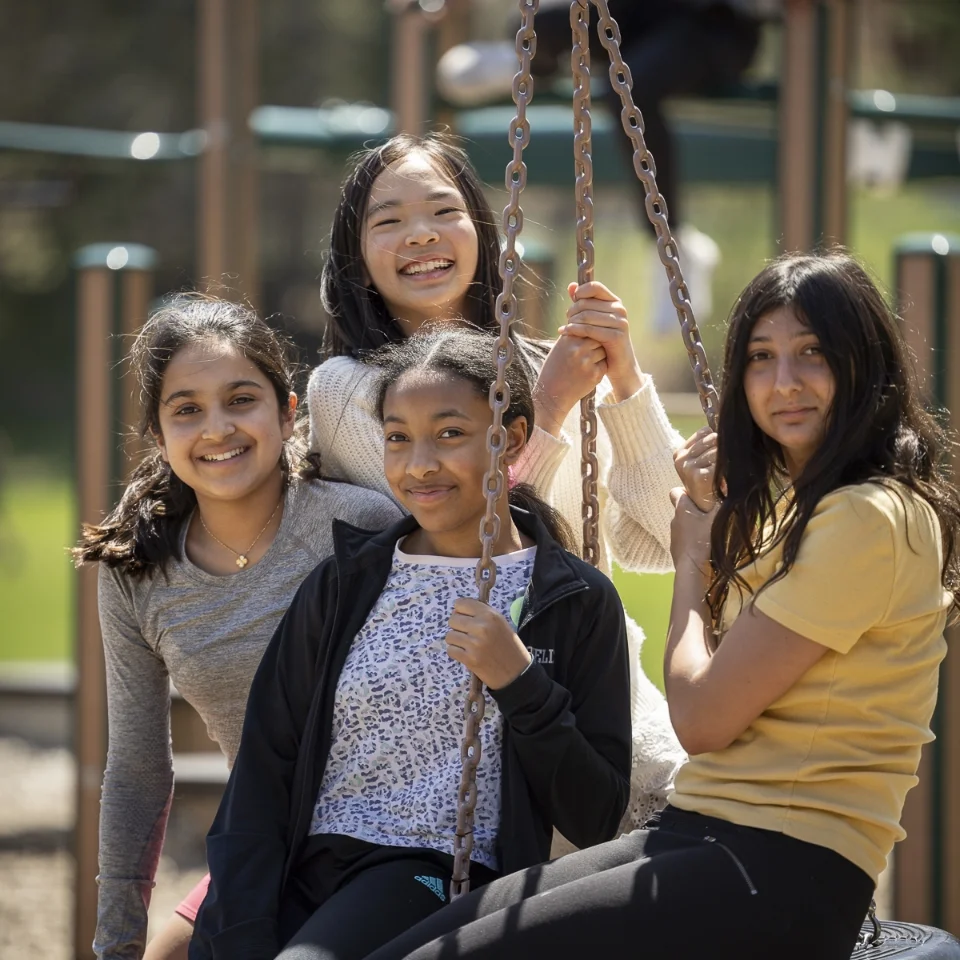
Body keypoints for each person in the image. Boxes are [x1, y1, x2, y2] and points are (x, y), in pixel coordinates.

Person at [357, 251, 960, 960]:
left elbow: (702, 718)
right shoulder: (792, 506)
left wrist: (692, 559)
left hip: (785, 866)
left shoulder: (871, 515)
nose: (784, 383)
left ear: (865, 365)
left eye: (812, 355)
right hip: (703, 832)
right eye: (761, 359)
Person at [189, 328, 634, 960]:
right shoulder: (346, 583)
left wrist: (522, 686)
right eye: (398, 438)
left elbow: (595, 814)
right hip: (306, 867)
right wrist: (236, 932)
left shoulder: (574, 600)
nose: (418, 464)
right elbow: (265, 770)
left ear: (509, 438)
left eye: (449, 434)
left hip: (431, 872)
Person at [309, 132, 705, 832]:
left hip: (591, 688)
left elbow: (654, 540)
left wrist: (625, 380)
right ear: (358, 258)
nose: (420, 236)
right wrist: (547, 407)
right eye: (388, 221)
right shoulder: (347, 390)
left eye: (442, 211)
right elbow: (453, 525)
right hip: (460, 714)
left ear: (482, 233)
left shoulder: (547, 362)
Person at [73, 295, 402, 960]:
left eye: (241, 399)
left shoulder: (359, 526)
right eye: (187, 409)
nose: (217, 428)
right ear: (158, 435)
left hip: (386, 840)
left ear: (287, 412)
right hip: (262, 846)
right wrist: (115, 942)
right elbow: (138, 768)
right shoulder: (136, 573)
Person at [437, 0, 781, 329]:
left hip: (711, 23)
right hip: (637, 14)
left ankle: (672, 238)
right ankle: (528, 62)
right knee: (538, 26)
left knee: (627, 88)